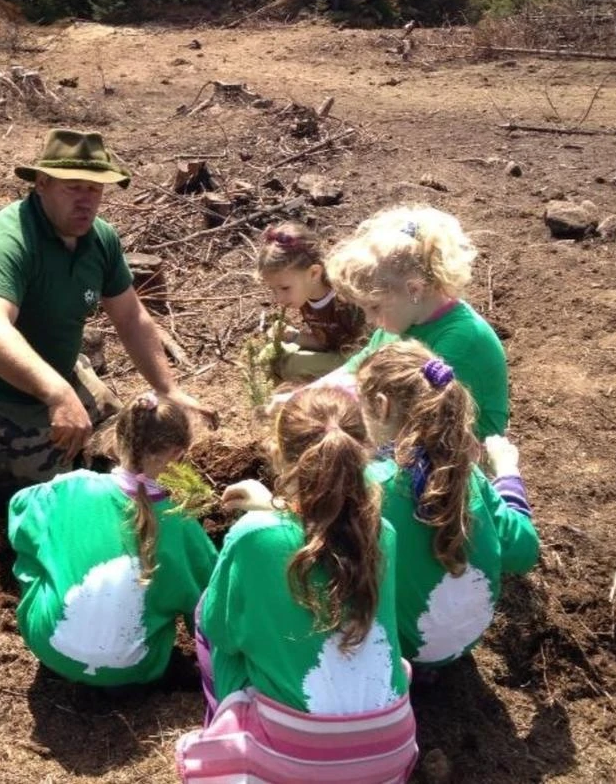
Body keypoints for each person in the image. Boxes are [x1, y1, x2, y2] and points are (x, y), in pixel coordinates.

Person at [0, 129, 216, 513]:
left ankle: (46, 426)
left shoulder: (99, 239)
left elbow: (130, 316)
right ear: (42, 183)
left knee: (117, 449)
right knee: (34, 497)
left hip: (56, 368)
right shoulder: (7, 242)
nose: (86, 200)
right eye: (74, 188)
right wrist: (58, 394)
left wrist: (168, 388)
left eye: (95, 189)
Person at [178, 387, 417, 783]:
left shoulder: (253, 535)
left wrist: (267, 514)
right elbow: (321, 536)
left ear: (276, 454)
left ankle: (226, 739)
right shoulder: (384, 534)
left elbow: (222, 631)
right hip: (389, 751)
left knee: (209, 614)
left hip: (296, 762)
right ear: (363, 454)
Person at [7, 392, 217, 688]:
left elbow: (19, 510)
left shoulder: (70, 487)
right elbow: (210, 605)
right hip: (133, 667)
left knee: (42, 552)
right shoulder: (183, 526)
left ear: (116, 440)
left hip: (46, 643)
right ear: (178, 455)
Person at [356, 341, 539, 669]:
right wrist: (508, 472)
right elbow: (524, 552)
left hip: (399, 651)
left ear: (381, 406)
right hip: (462, 642)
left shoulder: (372, 485)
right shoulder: (466, 474)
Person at [308, 204, 508, 439]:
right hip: (402, 428)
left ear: (414, 290)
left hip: (455, 449)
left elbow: (416, 422)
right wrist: (306, 397)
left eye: (374, 307)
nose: (369, 319)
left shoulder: (461, 342)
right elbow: (357, 368)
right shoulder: (400, 321)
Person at [255, 221, 366, 382]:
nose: (279, 299)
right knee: (270, 354)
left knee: (292, 365)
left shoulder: (345, 301)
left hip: (358, 362)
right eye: (274, 290)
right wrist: (294, 336)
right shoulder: (306, 298)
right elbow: (325, 342)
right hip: (335, 354)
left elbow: (369, 351)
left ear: (314, 273)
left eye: (285, 288)